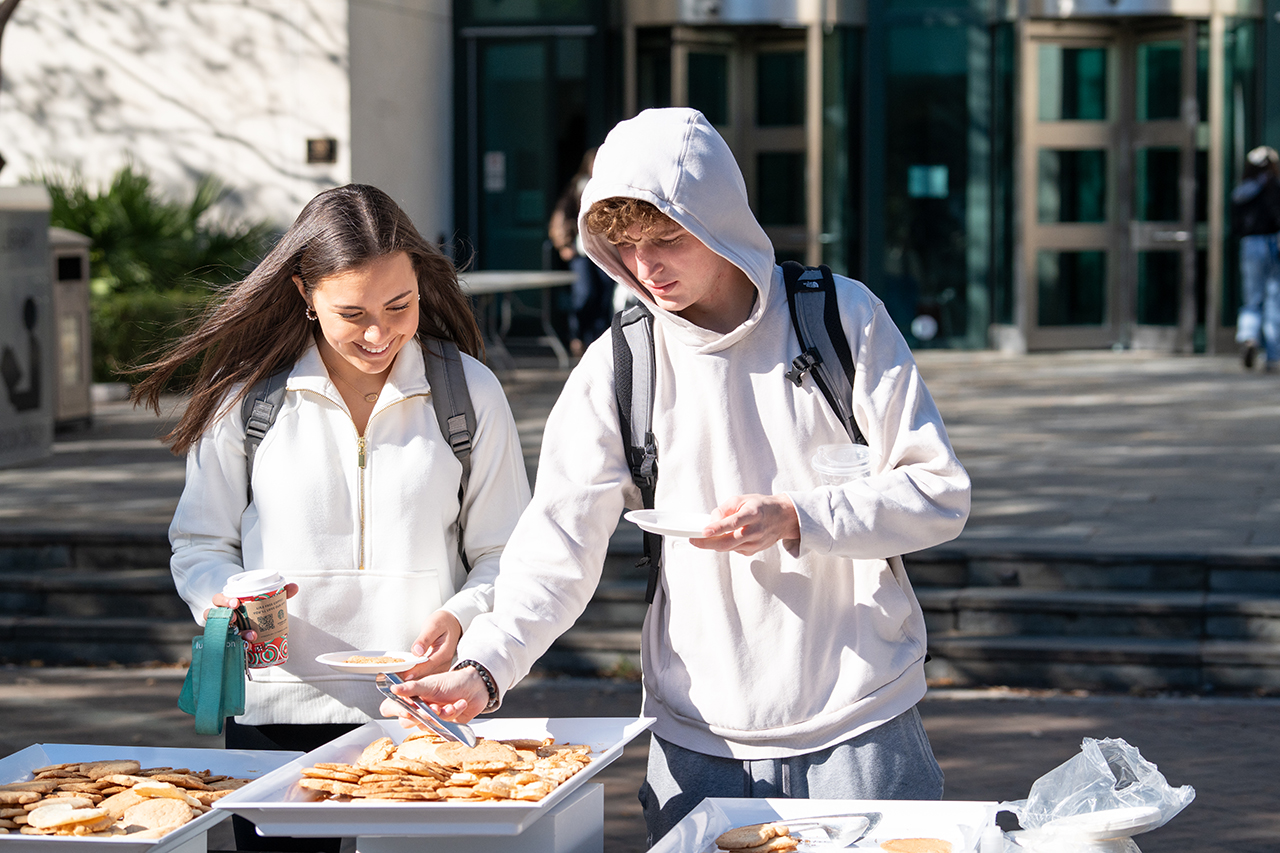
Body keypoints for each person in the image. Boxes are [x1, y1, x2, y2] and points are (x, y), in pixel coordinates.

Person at [382, 109, 971, 844]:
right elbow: (555, 551)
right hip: (698, 742)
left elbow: (937, 494)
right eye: (623, 247)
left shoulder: (841, 319)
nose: (644, 267)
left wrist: (797, 516)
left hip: (865, 722)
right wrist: (486, 667)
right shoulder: (619, 365)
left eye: (667, 239)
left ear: (721, 221)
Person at [132, 184, 531, 851]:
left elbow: (508, 554)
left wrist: (463, 612)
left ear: (420, 283)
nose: (378, 334)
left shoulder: (470, 393)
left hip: (421, 712)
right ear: (303, 293)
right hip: (273, 713)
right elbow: (199, 541)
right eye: (352, 313)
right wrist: (227, 599)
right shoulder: (245, 396)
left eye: (399, 305)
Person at [549, 148, 615, 357]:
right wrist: (563, 245)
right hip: (581, 252)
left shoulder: (613, 186)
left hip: (606, 251)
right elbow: (560, 217)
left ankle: (599, 339)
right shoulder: (578, 187)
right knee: (585, 293)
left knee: (605, 295)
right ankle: (578, 335)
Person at [1232, 145, 1280, 371]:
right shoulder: (1273, 187)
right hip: (1272, 242)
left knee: (1252, 298)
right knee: (1273, 299)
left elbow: (1235, 223)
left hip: (1250, 244)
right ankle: (1273, 355)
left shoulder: (1242, 191)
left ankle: (1249, 336)